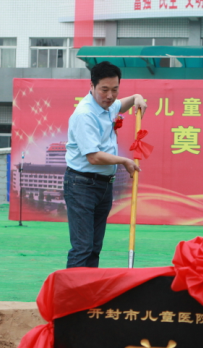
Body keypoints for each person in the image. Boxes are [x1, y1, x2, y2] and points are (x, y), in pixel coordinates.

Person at [64, 61, 146, 268]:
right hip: (82, 184)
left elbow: (123, 103)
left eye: (115, 89)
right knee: (82, 247)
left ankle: (89, 287)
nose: (110, 96)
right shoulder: (85, 114)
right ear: (92, 86)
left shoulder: (108, 106)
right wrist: (124, 161)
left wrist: (137, 98)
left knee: (94, 247)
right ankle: (71, 289)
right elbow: (93, 157)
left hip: (103, 184)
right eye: (104, 89)